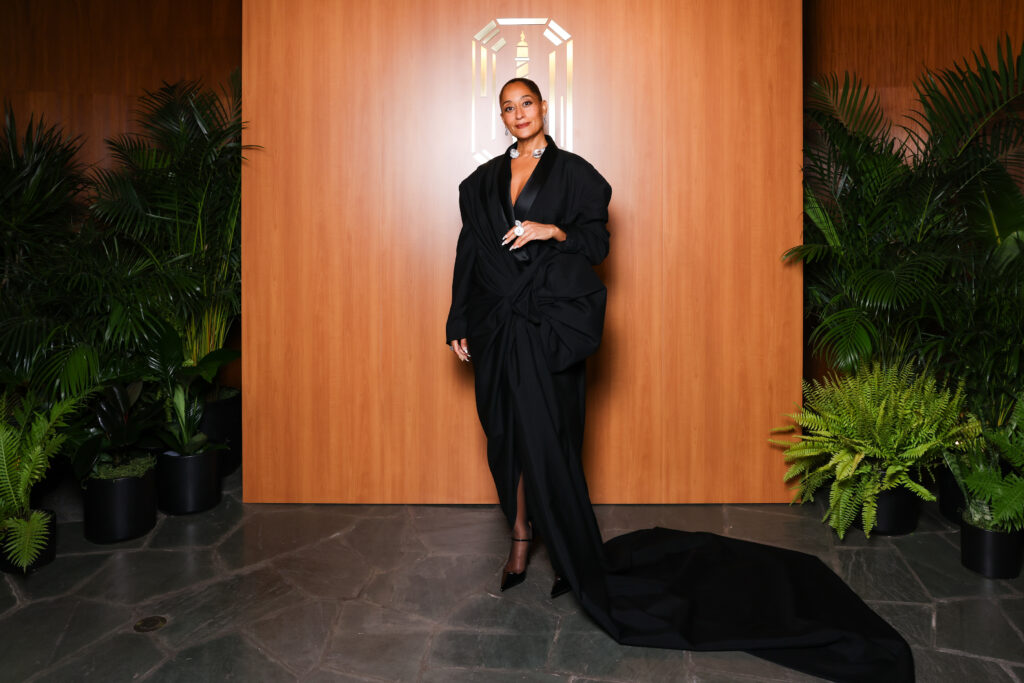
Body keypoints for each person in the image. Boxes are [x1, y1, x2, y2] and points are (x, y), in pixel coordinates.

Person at [447, 77, 914, 683]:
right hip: (496, 325)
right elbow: (468, 251)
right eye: (508, 107)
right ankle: (521, 535)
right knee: (505, 434)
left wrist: (551, 230)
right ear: (502, 116)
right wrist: (458, 319)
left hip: (548, 326)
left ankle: (559, 550)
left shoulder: (577, 175)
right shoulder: (481, 181)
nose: (518, 114)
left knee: (551, 436)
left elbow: (596, 242)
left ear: (543, 107)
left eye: (526, 103)